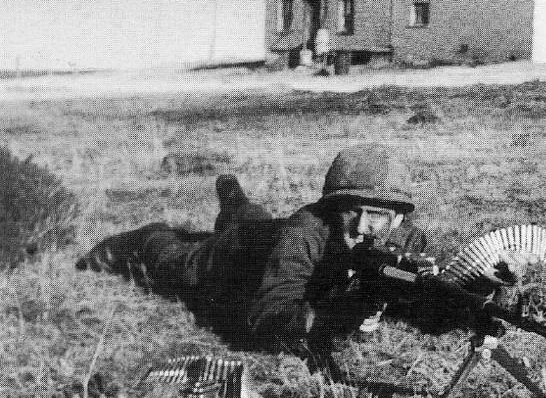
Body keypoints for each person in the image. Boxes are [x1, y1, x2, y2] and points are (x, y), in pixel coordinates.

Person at [76, 144, 435, 367]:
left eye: (379, 218)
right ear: (332, 207)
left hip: (266, 234)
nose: (361, 228)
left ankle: (232, 195)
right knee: (170, 256)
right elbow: (266, 317)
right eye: (351, 212)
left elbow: (421, 292)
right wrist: (337, 315)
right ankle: (125, 243)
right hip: (231, 262)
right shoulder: (304, 232)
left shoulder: (404, 240)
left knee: (249, 216)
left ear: (401, 218)